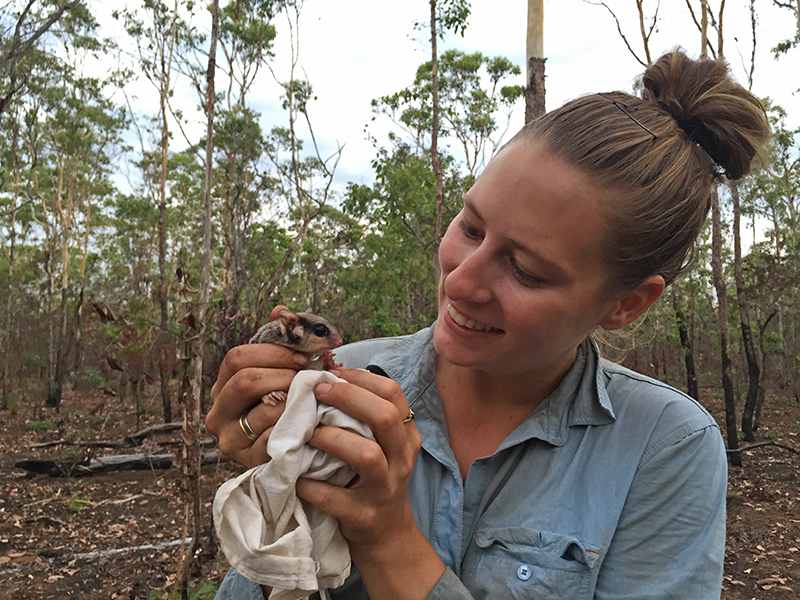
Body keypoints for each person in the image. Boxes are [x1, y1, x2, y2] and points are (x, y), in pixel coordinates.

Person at [206, 50, 769, 600]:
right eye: (471, 228)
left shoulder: (664, 446)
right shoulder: (346, 380)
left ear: (626, 304)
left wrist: (387, 540)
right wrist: (270, 491)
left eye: (525, 271)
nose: (459, 283)